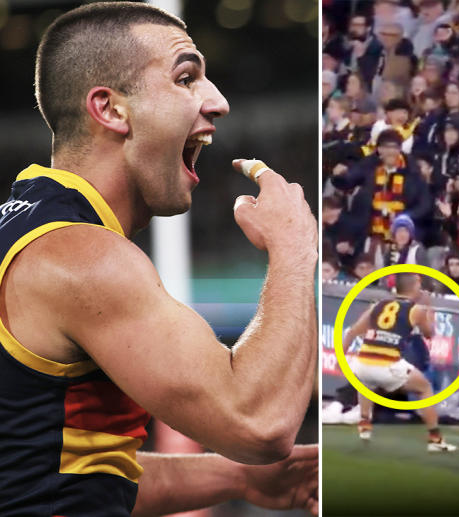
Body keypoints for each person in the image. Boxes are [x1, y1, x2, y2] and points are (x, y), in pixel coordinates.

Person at [0, 3, 318, 515]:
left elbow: (57, 472)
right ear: (110, 109)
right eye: (186, 78)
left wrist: (236, 479)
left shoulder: (25, 234)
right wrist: (294, 248)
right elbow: (259, 424)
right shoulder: (82, 257)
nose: (218, 102)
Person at [341, 273, 457, 452]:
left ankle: (364, 425)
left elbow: (351, 332)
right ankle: (435, 439)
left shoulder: (377, 305)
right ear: (416, 287)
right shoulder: (416, 309)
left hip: (362, 362)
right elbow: (429, 334)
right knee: (424, 387)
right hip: (388, 364)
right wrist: (428, 308)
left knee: (367, 380)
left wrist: (339, 358)